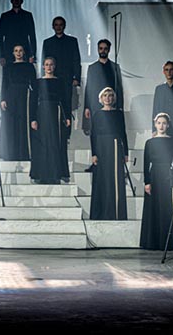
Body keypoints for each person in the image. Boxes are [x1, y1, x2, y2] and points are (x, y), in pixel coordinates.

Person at [140, 113, 173, 251]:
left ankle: (168, 242)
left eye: (164, 123)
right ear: (155, 124)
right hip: (154, 176)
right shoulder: (149, 143)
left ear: (168, 125)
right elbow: (146, 163)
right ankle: (152, 242)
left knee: (166, 207)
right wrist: (147, 182)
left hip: (167, 176)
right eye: (159, 123)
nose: (161, 126)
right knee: (153, 208)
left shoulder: (172, 142)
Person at [89, 87, 129, 220]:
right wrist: (94, 153)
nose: (108, 98)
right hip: (101, 148)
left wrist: (126, 152)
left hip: (115, 147)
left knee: (115, 178)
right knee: (102, 178)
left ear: (114, 98)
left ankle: (115, 212)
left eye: (110, 95)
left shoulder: (118, 113)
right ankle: (100, 213)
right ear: (101, 99)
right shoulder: (96, 114)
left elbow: (123, 133)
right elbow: (93, 135)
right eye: (105, 95)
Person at [29, 57, 71, 184]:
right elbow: (33, 102)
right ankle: (40, 174)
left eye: (51, 64)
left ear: (54, 66)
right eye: (46, 64)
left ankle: (55, 174)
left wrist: (67, 117)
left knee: (55, 143)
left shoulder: (60, 82)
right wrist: (33, 119)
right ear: (43, 66)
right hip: (41, 114)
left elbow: (65, 100)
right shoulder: (38, 82)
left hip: (55, 114)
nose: (49, 67)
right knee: (41, 144)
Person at [40, 16, 81, 137]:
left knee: (66, 104)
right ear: (53, 27)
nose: (58, 27)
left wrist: (77, 78)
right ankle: (50, 131)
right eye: (56, 25)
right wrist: (44, 77)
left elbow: (76, 60)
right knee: (51, 104)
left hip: (67, 79)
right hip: (51, 79)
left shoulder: (72, 41)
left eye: (61, 24)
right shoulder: (47, 42)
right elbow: (44, 61)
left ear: (64, 26)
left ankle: (66, 134)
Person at [0, 44, 36, 161]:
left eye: (20, 50)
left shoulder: (29, 66)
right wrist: (3, 99)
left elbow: (34, 84)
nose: (18, 53)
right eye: (16, 51)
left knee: (23, 123)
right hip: (11, 96)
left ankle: (23, 153)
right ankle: (10, 154)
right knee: (11, 124)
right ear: (13, 53)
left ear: (24, 52)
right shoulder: (8, 67)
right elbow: (4, 84)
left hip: (24, 97)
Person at [83, 39, 123, 135]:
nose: (103, 51)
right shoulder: (92, 68)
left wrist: (120, 106)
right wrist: (87, 107)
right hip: (95, 105)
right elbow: (88, 88)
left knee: (112, 130)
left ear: (109, 50)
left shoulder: (115, 67)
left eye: (105, 49)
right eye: (101, 48)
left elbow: (119, 88)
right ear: (98, 50)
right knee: (96, 131)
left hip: (112, 105)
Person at [0, 0, 37, 65]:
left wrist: (33, 54)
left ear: (22, 1)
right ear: (11, 1)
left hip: (25, 50)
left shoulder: (27, 15)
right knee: (9, 71)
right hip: (8, 51)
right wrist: (1, 56)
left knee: (25, 71)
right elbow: (0, 38)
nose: (16, 1)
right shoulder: (5, 16)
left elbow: (32, 36)